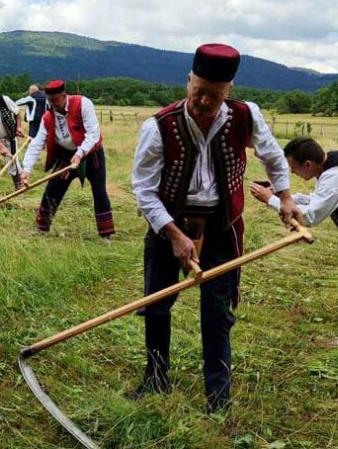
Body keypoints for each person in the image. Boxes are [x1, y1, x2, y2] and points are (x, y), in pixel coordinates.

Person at [130, 44, 298, 413]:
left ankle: (218, 399)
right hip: (168, 223)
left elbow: (271, 156)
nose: (204, 101)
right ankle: (156, 380)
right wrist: (175, 235)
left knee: (217, 313)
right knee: (157, 305)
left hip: (222, 227)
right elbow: (143, 190)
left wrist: (284, 197)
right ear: (189, 80)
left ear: (229, 91)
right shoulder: (158, 126)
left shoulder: (245, 116)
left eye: (214, 94)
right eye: (198, 90)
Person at [250, 137, 338, 348]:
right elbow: (318, 197)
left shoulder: (337, 174)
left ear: (308, 165)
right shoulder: (334, 165)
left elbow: (311, 216)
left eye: (293, 168)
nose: (292, 173)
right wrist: (285, 197)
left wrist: (271, 200)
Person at [21, 80, 114, 239]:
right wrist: (26, 169)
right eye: (50, 101)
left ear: (64, 95)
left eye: (55, 100)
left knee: (99, 191)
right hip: (66, 157)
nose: (53, 104)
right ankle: (41, 228)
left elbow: (93, 134)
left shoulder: (83, 104)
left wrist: (80, 154)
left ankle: (106, 235)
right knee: (53, 189)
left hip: (92, 154)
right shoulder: (48, 117)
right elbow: (37, 143)